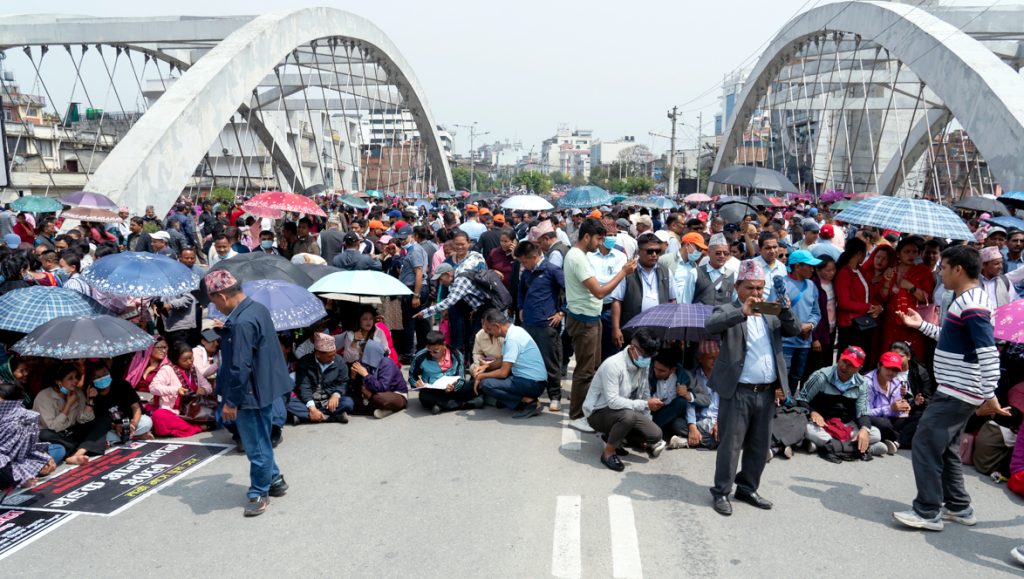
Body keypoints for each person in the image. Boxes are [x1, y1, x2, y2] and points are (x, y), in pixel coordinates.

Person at [892, 245, 1009, 531]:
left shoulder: (973, 303)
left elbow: (987, 351)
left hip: (958, 390)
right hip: (958, 388)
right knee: (946, 449)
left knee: (924, 442)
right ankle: (958, 506)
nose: (939, 273)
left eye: (943, 267)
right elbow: (952, 338)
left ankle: (927, 510)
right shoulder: (968, 299)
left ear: (958, 269)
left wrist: (989, 394)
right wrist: (922, 325)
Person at [706, 259, 801, 517]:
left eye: (760, 288)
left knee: (759, 446)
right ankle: (721, 491)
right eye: (750, 287)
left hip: (767, 391)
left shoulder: (770, 311)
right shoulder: (728, 309)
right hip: (738, 391)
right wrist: (742, 312)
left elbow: (794, 330)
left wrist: (785, 310)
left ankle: (747, 488)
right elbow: (711, 325)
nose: (756, 293)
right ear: (738, 286)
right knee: (731, 445)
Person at [207, 269, 292, 517]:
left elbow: (240, 366)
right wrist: (228, 330)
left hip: (249, 392)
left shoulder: (242, 322)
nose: (216, 308)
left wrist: (231, 401)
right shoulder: (255, 309)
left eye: (215, 303)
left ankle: (259, 492)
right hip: (263, 386)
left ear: (222, 296)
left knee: (255, 446)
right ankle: (274, 479)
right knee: (261, 438)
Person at [564, 218, 637, 432]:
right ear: (586, 237)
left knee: (593, 367)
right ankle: (576, 415)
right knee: (585, 371)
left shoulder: (581, 256)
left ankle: (587, 409)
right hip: (584, 320)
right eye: (598, 239)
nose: (600, 243)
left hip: (591, 318)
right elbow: (599, 292)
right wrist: (623, 272)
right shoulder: (578, 258)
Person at [582, 329, 666, 471]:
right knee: (628, 417)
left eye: (650, 356)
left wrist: (647, 415)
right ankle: (608, 453)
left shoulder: (643, 363)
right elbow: (613, 401)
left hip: (623, 410)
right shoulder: (613, 364)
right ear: (632, 348)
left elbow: (645, 392)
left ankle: (613, 437)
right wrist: (645, 404)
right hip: (598, 412)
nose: (647, 359)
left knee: (655, 434)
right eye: (645, 355)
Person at [797, 346, 888, 457]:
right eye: (844, 361)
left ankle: (827, 446)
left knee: (875, 433)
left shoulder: (862, 384)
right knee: (808, 430)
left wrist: (864, 430)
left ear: (859, 368)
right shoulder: (821, 376)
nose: (845, 367)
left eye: (851, 365)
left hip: (845, 425)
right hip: (821, 424)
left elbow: (862, 412)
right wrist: (813, 412)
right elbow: (801, 399)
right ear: (839, 358)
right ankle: (867, 449)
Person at [514, 240, 565, 412]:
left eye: (524, 261)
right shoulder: (526, 273)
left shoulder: (552, 270)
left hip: (546, 325)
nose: (523, 265)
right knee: (529, 362)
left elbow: (570, 290)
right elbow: (520, 291)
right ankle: (532, 395)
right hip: (528, 324)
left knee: (550, 362)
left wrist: (562, 312)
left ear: (534, 257)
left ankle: (555, 396)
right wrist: (521, 307)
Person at [474, 309, 548, 419]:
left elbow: (503, 372)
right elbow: (503, 359)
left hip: (532, 384)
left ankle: (528, 401)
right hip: (531, 381)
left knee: (486, 384)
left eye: (489, 329)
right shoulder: (515, 331)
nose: (489, 333)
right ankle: (520, 401)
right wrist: (486, 366)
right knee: (489, 377)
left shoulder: (512, 339)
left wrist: (481, 376)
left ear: (497, 326)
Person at [33, 363, 109, 465]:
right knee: (44, 434)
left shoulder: (77, 392)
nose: (75, 381)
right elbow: (53, 427)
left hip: (72, 433)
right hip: (57, 436)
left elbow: (83, 420)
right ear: (58, 381)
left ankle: (76, 454)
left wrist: (90, 401)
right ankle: (85, 447)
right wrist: (68, 404)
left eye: (76, 377)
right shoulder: (44, 397)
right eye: (70, 378)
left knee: (103, 421)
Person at [610, 232, 676, 348]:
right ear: (639, 251)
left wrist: (671, 327)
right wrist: (616, 328)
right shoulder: (628, 271)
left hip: (658, 330)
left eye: (657, 251)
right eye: (650, 251)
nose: (654, 255)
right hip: (632, 331)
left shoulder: (665, 272)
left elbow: (672, 300)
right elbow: (617, 300)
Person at [0, 381, 57, 490]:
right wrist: (20, 479)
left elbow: (31, 447)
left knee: (55, 452)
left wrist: (47, 458)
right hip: (6, 467)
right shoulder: (22, 417)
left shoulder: (22, 419)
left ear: (9, 402)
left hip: (15, 462)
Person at [834, 239, 882, 364]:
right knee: (849, 361)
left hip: (863, 322)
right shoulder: (844, 273)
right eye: (865, 253)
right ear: (859, 253)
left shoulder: (860, 270)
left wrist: (876, 307)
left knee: (862, 360)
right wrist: (868, 307)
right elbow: (844, 302)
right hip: (850, 325)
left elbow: (867, 293)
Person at [288, 333, 353, 424]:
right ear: (318, 354)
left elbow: (343, 382)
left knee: (348, 403)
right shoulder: (304, 362)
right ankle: (330, 417)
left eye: (334, 354)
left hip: (328, 402)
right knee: (287, 402)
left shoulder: (340, 361)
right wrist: (312, 408)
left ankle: (305, 417)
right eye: (330, 356)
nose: (333, 358)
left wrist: (336, 394)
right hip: (308, 402)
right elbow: (304, 386)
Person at [781, 250, 821, 392]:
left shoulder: (812, 285)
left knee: (796, 376)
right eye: (809, 266)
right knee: (782, 377)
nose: (812, 269)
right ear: (797, 266)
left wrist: (810, 325)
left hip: (804, 343)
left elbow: (816, 312)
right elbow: (776, 313)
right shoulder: (782, 285)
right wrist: (798, 327)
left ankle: (789, 402)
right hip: (785, 343)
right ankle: (780, 403)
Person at [410, 331, 478, 413]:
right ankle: (463, 404)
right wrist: (416, 383)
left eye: (435, 351)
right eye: (429, 350)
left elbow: (461, 377)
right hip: (433, 391)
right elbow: (412, 376)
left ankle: (439, 405)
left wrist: (454, 387)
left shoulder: (456, 354)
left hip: (453, 389)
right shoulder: (420, 356)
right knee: (424, 396)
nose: (432, 354)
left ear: (444, 345)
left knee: (473, 385)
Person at [88, 364, 153, 445]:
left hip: (130, 422)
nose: (102, 378)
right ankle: (135, 437)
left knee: (146, 422)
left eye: (104, 374)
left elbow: (136, 407)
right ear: (91, 380)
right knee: (99, 434)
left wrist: (133, 425)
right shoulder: (92, 394)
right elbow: (98, 421)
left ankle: (127, 437)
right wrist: (115, 427)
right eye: (97, 377)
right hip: (112, 428)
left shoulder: (122, 385)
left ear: (109, 373)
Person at [350, 340, 408, 419]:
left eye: (361, 354)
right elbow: (358, 387)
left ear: (369, 354)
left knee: (379, 399)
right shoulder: (363, 363)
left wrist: (366, 375)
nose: (359, 357)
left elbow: (383, 388)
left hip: (394, 394)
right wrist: (353, 377)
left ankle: (375, 408)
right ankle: (382, 409)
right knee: (349, 399)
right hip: (371, 393)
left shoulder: (387, 363)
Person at [866, 351, 911, 450]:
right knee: (884, 423)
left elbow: (896, 410)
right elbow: (865, 412)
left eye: (895, 370)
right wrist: (889, 408)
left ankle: (894, 440)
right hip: (873, 419)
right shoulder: (868, 383)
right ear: (879, 366)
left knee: (916, 417)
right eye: (888, 368)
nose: (891, 372)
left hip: (890, 419)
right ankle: (899, 440)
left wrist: (903, 408)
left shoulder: (896, 382)